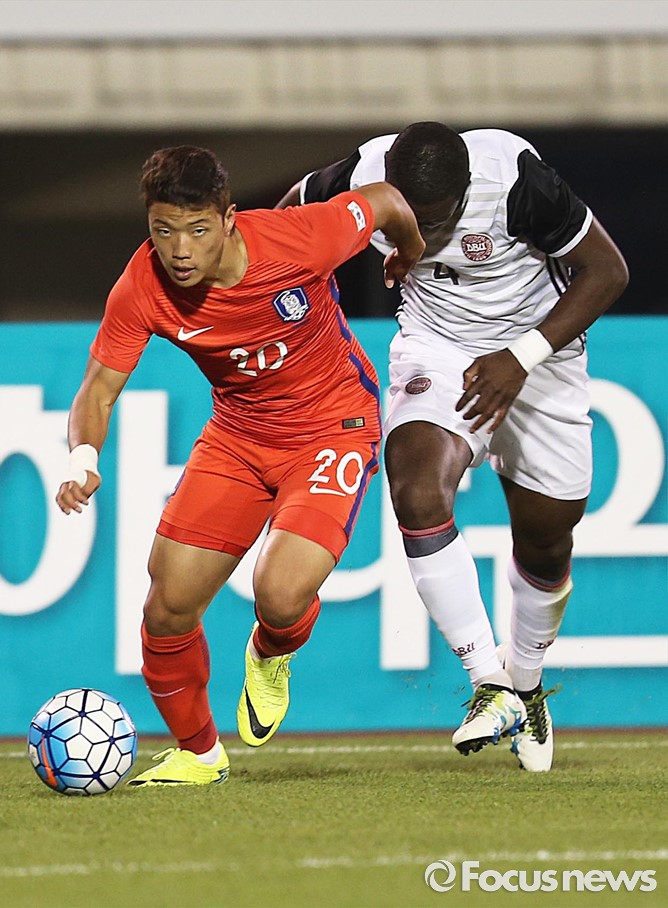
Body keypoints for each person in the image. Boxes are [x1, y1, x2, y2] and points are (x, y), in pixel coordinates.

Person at [55, 145, 425, 786]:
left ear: (228, 220)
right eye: (163, 230)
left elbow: (388, 201)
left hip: (333, 425)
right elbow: (98, 390)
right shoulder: (143, 284)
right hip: (238, 436)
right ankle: (199, 754)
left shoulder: (299, 238)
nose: (180, 251)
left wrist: (409, 252)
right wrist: (83, 457)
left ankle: (271, 651)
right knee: (167, 607)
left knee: (279, 596)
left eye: (197, 230)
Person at [278, 122, 629, 772]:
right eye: (410, 216)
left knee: (548, 539)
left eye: (436, 220)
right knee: (416, 490)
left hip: (540, 351)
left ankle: (526, 684)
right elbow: (281, 229)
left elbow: (607, 271)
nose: (422, 231)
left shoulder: (517, 181)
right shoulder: (359, 176)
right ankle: (488, 683)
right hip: (437, 345)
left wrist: (519, 358)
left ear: (466, 190)